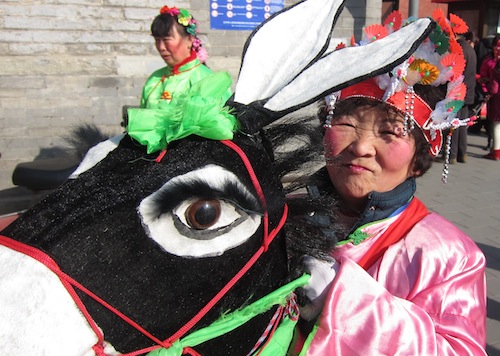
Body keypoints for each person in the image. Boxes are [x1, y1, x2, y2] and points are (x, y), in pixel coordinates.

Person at [297, 11, 487, 355]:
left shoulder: (447, 255)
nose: (361, 146)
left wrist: (340, 298)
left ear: (418, 159)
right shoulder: (282, 217)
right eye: (347, 124)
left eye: (389, 132)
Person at [126, 5, 232, 153]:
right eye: (157, 40)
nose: (161, 47)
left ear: (189, 40)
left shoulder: (206, 79)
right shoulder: (154, 80)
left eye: (167, 39)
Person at [450, 31, 477, 163]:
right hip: (468, 91)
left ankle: (453, 155)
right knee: (462, 124)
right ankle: (463, 153)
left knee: (454, 124)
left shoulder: (460, 50)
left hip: (459, 90)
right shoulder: (471, 50)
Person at [479, 34, 500, 154]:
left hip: (495, 96)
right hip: (490, 96)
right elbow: (483, 76)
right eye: (496, 46)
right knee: (492, 123)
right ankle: (491, 144)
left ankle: (495, 149)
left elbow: (494, 85)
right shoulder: (488, 60)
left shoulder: (497, 65)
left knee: (496, 125)